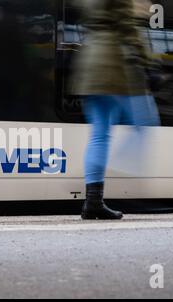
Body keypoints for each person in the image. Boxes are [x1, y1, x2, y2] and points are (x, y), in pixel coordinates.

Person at [68, 0, 160, 220]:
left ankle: (93, 202)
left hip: (89, 64)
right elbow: (128, 28)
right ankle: (128, 174)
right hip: (114, 65)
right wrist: (150, 63)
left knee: (100, 135)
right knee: (145, 122)